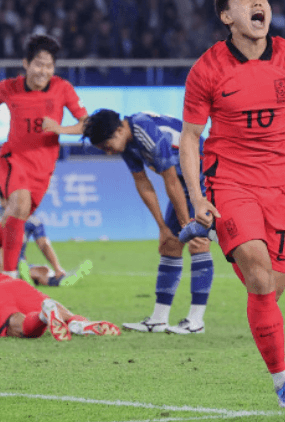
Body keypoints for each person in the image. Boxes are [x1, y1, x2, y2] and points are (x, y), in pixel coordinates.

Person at [179, 0, 285, 408]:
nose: (257, 3)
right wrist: (198, 197)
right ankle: (283, 381)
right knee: (261, 279)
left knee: (269, 289)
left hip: (283, 186)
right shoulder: (206, 69)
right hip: (230, 183)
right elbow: (190, 137)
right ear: (228, 17)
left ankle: (230, 248)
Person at [81, 109, 214, 335]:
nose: (108, 152)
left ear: (120, 129)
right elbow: (143, 183)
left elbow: (170, 181)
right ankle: (159, 319)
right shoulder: (126, 141)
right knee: (170, 244)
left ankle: (196, 321)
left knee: (198, 242)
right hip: (184, 183)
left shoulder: (146, 132)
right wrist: (163, 227)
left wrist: (187, 225)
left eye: (107, 145)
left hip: (205, 176)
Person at [0, 34, 88, 278]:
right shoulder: (8, 88)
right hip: (13, 159)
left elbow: (86, 123)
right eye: (38, 64)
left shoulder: (62, 88)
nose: (43, 71)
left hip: (43, 167)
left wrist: (61, 129)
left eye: (48, 65)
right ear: (26, 64)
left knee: (16, 214)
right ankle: (11, 275)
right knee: (20, 203)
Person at [0, 266, 120, 340]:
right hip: (13, 286)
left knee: (16, 324)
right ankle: (78, 323)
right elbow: (6, 278)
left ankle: (43, 315)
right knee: (54, 307)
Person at [0, 187, 67, 287]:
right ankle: (20, 279)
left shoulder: (31, 219)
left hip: (18, 264)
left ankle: (54, 281)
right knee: (0, 272)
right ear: (2, 201)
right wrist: (8, 271)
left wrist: (57, 268)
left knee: (44, 271)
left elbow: (43, 244)